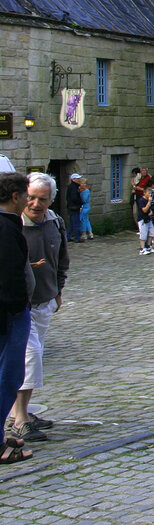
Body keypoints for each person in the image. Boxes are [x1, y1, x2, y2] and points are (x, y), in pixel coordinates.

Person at [6, 174, 67, 445]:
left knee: (35, 355)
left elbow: (61, 259)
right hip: (21, 305)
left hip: (45, 300)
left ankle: (21, 412)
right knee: (29, 359)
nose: (35, 204)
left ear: (51, 200)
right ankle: (19, 420)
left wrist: (58, 290)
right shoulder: (13, 224)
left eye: (42, 199)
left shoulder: (55, 222)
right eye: (30, 197)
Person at [0, 172, 33, 464]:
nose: (28, 201)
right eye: (26, 195)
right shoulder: (6, 228)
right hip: (8, 315)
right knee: (8, 377)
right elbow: (9, 278)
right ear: (15, 197)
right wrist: (18, 307)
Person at [64, 174, 83, 244]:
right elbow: (74, 198)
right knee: (76, 223)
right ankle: (77, 238)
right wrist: (80, 202)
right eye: (77, 178)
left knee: (72, 223)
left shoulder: (74, 186)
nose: (79, 180)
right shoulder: (73, 187)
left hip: (72, 207)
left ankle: (68, 237)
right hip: (74, 207)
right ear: (73, 179)